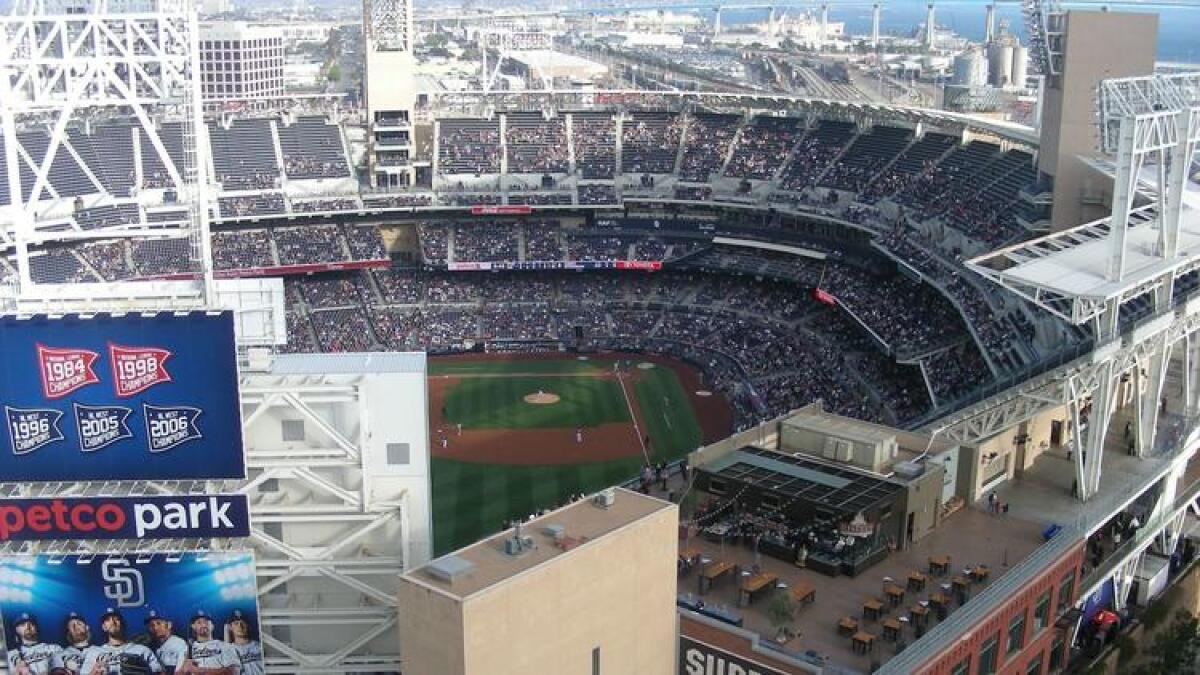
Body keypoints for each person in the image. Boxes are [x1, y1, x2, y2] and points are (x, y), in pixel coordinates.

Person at [79, 609, 161, 675]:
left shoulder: (142, 650)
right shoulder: (94, 652)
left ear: (122, 624)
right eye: (108, 620)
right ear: (104, 627)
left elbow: (160, 672)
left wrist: (148, 672)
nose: (113, 622)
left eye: (116, 619)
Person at [177, 611, 237, 675]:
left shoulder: (224, 645)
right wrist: (184, 666)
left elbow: (233, 671)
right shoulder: (187, 649)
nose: (203, 625)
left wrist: (198, 670)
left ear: (213, 626)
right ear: (193, 626)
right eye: (199, 623)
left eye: (206, 622)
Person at [144, 610, 187, 675]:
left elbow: (180, 672)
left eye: (159, 623)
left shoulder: (179, 643)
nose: (155, 628)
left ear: (169, 625)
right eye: (151, 625)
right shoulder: (149, 646)